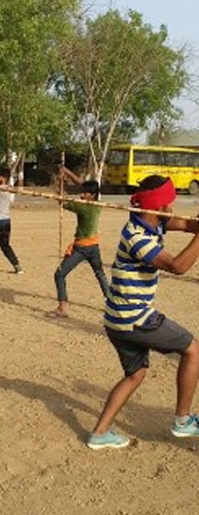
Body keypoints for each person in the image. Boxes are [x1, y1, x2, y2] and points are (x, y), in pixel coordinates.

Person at [86, 175, 199, 449]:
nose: (172, 208)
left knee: (135, 375)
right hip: (134, 319)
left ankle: (100, 434)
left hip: (116, 320)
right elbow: (177, 266)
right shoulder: (137, 238)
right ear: (158, 207)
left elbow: (186, 224)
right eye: (169, 203)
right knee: (194, 350)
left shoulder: (154, 222)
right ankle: (182, 421)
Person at [50, 166, 110, 318]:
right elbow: (81, 183)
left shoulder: (83, 207)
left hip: (82, 248)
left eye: (85, 193)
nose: (82, 195)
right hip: (94, 246)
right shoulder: (98, 204)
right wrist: (68, 172)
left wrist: (59, 182)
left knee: (59, 274)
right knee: (100, 274)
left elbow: (61, 200)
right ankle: (111, 303)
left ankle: (62, 308)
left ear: (92, 195)